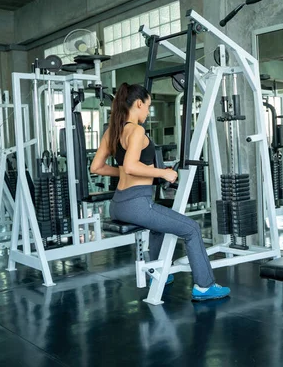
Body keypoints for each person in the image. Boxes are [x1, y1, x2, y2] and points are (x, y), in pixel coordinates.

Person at [91, 83, 230, 301]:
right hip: (137, 204)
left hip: (118, 204)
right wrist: (163, 173)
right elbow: (130, 166)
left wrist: (134, 171)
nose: (147, 111)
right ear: (138, 103)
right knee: (192, 229)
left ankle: (158, 273)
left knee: (159, 227)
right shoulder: (136, 130)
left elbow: (97, 167)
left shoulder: (113, 130)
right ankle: (205, 286)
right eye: (147, 106)